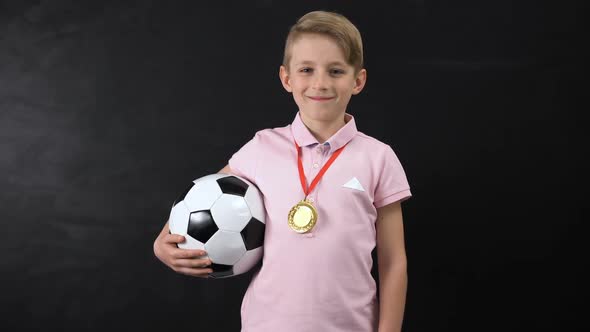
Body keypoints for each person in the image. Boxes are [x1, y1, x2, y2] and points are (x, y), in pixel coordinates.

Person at [153, 10, 412, 332]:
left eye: (335, 71)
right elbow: (201, 196)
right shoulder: (262, 147)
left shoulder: (378, 157)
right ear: (286, 78)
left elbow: (393, 263)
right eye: (306, 70)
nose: (320, 83)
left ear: (357, 80)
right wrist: (162, 242)